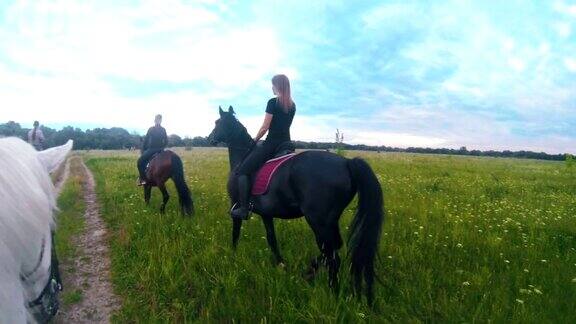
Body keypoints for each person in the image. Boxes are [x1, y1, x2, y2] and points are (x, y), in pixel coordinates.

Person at [231, 74, 296, 219]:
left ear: (277, 86)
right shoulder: (292, 105)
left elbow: (265, 127)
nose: (271, 88)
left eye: (273, 85)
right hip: (287, 144)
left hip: (271, 144)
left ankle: (243, 209)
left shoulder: (272, 102)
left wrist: (255, 140)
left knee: (242, 171)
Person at [137, 114, 168, 185]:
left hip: (152, 149)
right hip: (161, 150)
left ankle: (143, 179)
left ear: (155, 120)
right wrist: (162, 148)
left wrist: (144, 150)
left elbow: (146, 140)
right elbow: (166, 141)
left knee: (140, 162)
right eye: (159, 119)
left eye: (158, 119)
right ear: (160, 121)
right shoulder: (163, 129)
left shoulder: (151, 129)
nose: (158, 121)